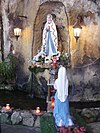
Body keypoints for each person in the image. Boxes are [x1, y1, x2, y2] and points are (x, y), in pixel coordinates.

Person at [53, 66, 74, 133]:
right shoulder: (66, 81)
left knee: (58, 108)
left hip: (58, 96)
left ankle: (60, 120)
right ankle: (67, 119)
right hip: (65, 96)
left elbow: (55, 87)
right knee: (65, 108)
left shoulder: (57, 81)